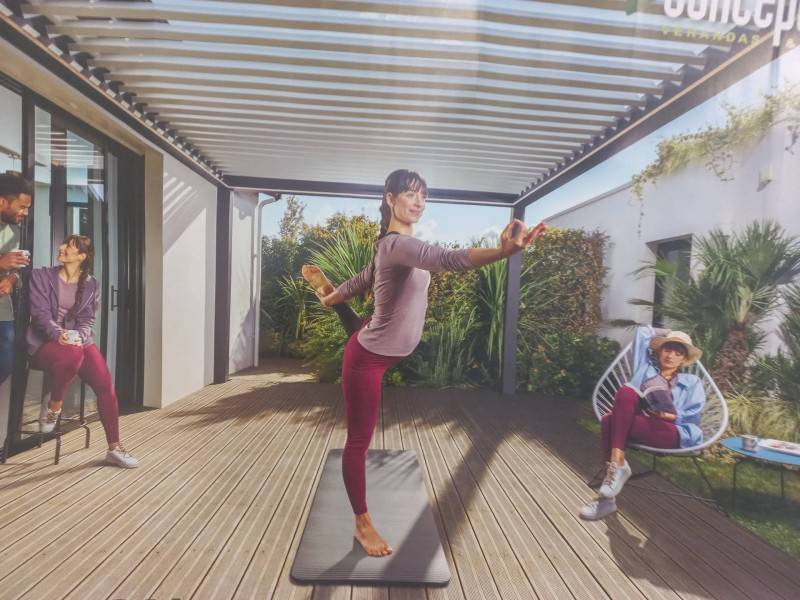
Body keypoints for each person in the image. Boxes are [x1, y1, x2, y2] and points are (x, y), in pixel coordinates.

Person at [309, 169, 546, 556]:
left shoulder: (390, 248)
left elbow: (363, 278)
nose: (418, 203)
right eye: (410, 194)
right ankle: (362, 524)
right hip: (367, 360)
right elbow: (448, 259)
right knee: (358, 441)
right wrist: (503, 252)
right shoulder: (396, 244)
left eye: (423, 197)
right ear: (389, 198)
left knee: (360, 324)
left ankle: (334, 305)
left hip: (382, 343)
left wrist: (336, 295)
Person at [26, 234, 138, 468]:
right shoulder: (41, 276)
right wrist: (61, 335)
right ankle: (54, 406)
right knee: (73, 355)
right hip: (45, 344)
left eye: (69, 246)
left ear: (82, 256)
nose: (62, 247)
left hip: (77, 343)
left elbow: (87, 320)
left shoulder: (91, 284)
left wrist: (80, 336)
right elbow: (40, 315)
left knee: (106, 386)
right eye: (64, 243)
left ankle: (114, 448)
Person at [579, 326, 705, 520]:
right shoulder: (645, 367)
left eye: (678, 353)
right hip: (644, 423)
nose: (671, 356)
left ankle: (608, 495)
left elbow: (694, 414)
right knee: (626, 392)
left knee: (609, 421)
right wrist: (669, 332)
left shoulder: (692, 381)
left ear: (683, 360)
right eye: (667, 349)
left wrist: (670, 416)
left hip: (675, 430)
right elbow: (643, 333)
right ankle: (616, 464)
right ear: (659, 351)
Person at [0, 172, 33, 387]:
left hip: (2, 308)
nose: (25, 213)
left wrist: (11, 278)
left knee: (6, 361)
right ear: (3, 201)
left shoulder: (14, 229)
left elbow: (15, 271)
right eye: (21, 207)